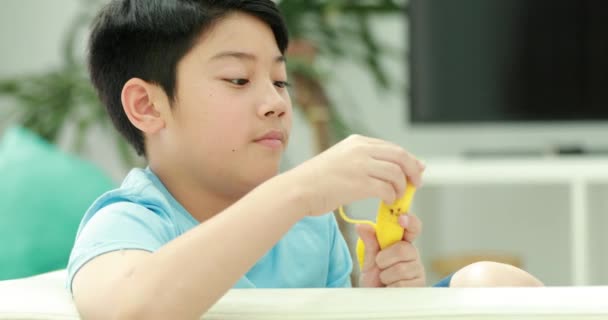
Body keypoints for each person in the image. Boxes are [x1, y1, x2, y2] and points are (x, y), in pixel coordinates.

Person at [67, 0, 543, 319]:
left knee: (495, 282)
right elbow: (126, 309)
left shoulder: (308, 227)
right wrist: (296, 191)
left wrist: (382, 306)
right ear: (147, 106)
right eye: (237, 79)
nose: (275, 102)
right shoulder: (129, 222)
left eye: (279, 81)